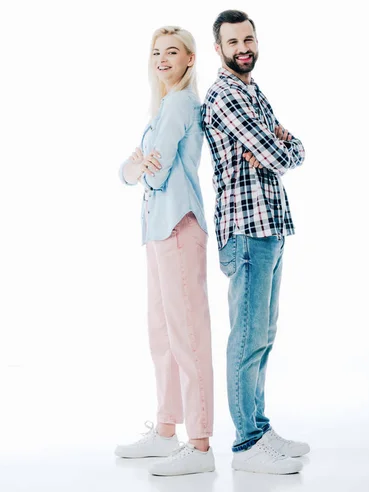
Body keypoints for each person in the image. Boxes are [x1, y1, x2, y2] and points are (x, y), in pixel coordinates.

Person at [201, 10, 309, 475]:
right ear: (218, 49)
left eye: (249, 39)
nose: (243, 47)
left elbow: (293, 149)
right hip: (246, 230)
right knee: (246, 338)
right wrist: (277, 147)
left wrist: (282, 146)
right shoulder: (224, 95)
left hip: (272, 227)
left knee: (263, 335)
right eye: (233, 42)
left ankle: (260, 428)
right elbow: (273, 151)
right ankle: (246, 444)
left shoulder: (252, 90)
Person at [116, 26, 215, 477]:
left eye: (171, 52)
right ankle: (165, 429)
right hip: (158, 232)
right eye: (156, 51)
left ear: (190, 59)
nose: (161, 58)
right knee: (162, 334)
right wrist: (140, 162)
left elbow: (151, 175)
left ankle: (198, 443)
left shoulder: (179, 104)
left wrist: (142, 164)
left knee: (187, 335)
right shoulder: (161, 107)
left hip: (177, 225)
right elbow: (127, 171)